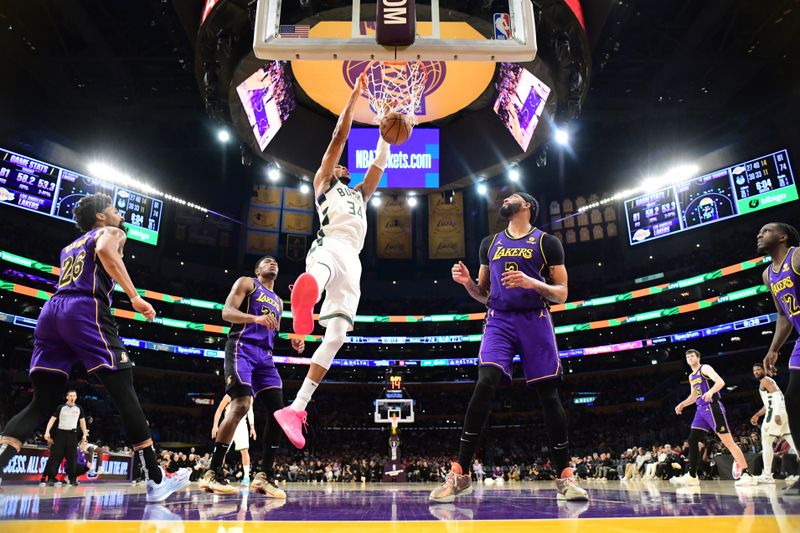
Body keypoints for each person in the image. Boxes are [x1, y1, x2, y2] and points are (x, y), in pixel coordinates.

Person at [0, 193, 189, 502]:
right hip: (85, 309)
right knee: (124, 391)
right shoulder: (111, 232)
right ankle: (155, 479)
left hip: (53, 311)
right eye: (114, 210)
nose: (120, 216)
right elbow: (103, 250)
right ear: (101, 217)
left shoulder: (68, 248)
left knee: (42, 401)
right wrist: (134, 295)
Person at [429, 193, 588, 502]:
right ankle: (460, 474)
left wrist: (533, 284)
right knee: (485, 382)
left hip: (535, 320)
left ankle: (565, 476)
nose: (505, 198)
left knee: (548, 394)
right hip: (499, 319)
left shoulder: (547, 243)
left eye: (513, 196)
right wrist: (466, 284)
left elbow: (562, 293)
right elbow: (484, 294)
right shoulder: (489, 243)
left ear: (527, 205)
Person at [273, 70, 389, 449]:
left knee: (337, 336)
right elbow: (339, 138)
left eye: (343, 166)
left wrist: (386, 131)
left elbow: (380, 163)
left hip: (354, 261)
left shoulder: (360, 194)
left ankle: (296, 408)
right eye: (339, 165)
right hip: (329, 245)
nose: (341, 166)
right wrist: (354, 98)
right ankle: (306, 297)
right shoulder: (323, 184)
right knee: (317, 273)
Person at [199, 256, 303, 496]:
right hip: (241, 348)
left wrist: (293, 342)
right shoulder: (247, 283)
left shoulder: (279, 301)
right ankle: (213, 472)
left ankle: (264, 476)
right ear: (258, 270)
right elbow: (227, 312)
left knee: (279, 414)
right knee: (242, 404)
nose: (273, 263)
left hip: (265, 358)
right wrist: (254, 318)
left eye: (276, 261)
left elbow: (271, 333)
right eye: (267, 261)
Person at [672, 349, 757, 486]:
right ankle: (692, 475)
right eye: (687, 357)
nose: (689, 358)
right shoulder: (691, 376)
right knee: (692, 440)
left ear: (698, 358)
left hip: (712, 407)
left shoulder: (705, 368)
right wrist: (683, 404)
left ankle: (747, 474)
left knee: (728, 442)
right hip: (700, 410)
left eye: (692, 356)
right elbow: (694, 396)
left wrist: (711, 391)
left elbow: (720, 382)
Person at [758, 222, 800, 495]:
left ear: (783, 236)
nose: (759, 234)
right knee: (794, 401)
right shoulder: (767, 274)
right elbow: (784, 314)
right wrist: (774, 348)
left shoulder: (797, 256)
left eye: (767, 230)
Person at [751, 363, 796, 484]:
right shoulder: (768, 381)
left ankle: (767, 475)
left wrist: (776, 414)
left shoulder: (765, 380)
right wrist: (757, 415)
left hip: (775, 413)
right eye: (754, 371)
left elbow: (777, 396)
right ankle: (767, 474)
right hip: (783, 412)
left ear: (764, 370)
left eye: (758, 369)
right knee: (793, 441)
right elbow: (768, 404)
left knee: (766, 441)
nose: (756, 372)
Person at [39, 390, 88, 486]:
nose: (72, 397)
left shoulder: (79, 408)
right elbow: (52, 420)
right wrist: (47, 431)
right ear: (67, 397)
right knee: (56, 457)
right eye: (70, 395)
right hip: (60, 434)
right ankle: (51, 478)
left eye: (74, 395)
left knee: (72, 458)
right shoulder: (61, 408)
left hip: (72, 435)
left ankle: (72, 479)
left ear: (76, 397)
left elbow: (82, 422)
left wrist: (84, 434)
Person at [211, 394, 256, 485]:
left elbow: (250, 411)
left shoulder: (249, 397)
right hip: (228, 424)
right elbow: (219, 410)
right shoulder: (229, 395)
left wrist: (252, 426)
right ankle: (217, 474)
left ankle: (246, 477)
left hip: (242, 425)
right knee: (222, 451)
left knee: (244, 450)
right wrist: (215, 426)